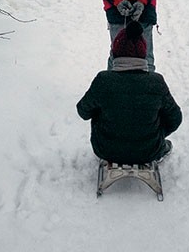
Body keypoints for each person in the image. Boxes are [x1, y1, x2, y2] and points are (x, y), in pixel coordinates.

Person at [77, 21, 182, 165]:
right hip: (149, 150)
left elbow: (83, 111)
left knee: (98, 109)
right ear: (143, 53)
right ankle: (154, 143)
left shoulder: (103, 80)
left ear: (115, 52)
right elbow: (175, 118)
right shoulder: (156, 82)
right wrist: (157, 133)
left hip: (106, 149)